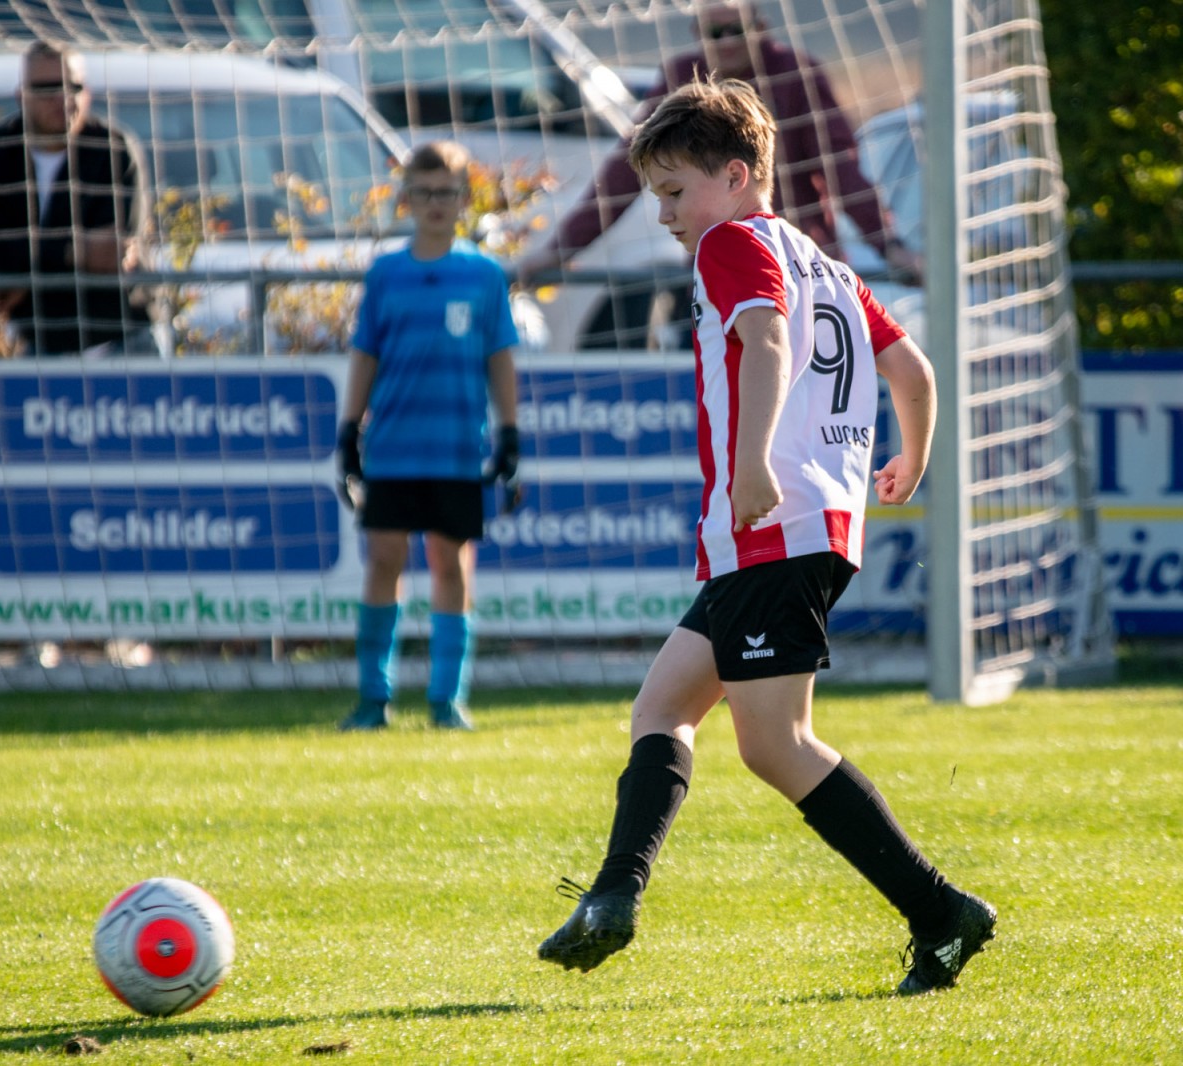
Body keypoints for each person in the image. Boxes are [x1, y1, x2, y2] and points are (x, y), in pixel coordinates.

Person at [535, 78, 994, 995]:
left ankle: (941, 910)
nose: (664, 214)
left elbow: (769, 342)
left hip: (772, 524)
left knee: (775, 743)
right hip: (809, 524)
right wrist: (911, 459)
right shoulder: (827, 265)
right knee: (662, 707)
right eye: (656, 195)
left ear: (738, 175)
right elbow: (913, 369)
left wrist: (752, 466)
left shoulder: (731, 243)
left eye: (675, 191)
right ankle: (612, 896)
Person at [520, 0, 922, 347]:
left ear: (760, 28)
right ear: (698, 34)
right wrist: (562, 248)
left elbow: (841, 169)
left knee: (787, 377)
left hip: (797, 276)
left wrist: (888, 245)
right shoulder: (682, 79)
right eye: (715, 32)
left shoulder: (796, 75)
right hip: (716, 280)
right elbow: (624, 173)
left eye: (737, 30)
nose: (727, 41)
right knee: (720, 392)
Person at [335, 141, 522, 733]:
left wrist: (509, 433)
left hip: (457, 447)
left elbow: (500, 358)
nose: (436, 203)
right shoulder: (386, 274)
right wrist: (349, 430)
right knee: (384, 560)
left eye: (446, 192)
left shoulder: (484, 274)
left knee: (451, 564)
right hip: (393, 445)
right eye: (424, 192)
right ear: (407, 199)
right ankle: (373, 699)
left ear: (464, 198)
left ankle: (447, 700)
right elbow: (365, 354)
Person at [0, 42, 151, 356]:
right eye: (48, 88)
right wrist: (75, 251)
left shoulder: (114, 149)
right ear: (21, 95)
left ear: (87, 92)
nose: (63, 99)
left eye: (73, 87)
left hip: (117, 336)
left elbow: (112, 253)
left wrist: (29, 267)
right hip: (33, 339)